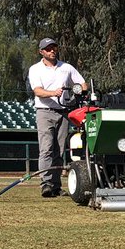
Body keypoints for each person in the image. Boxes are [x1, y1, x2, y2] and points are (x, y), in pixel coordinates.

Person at [28, 37, 87, 198]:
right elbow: (38, 91)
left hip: (63, 112)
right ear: (41, 52)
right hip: (44, 111)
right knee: (46, 149)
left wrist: (77, 91)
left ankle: (56, 186)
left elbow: (83, 84)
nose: (52, 50)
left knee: (59, 151)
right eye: (48, 48)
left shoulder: (66, 68)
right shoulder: (35, 69)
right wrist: (54, 92)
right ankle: (46, 184)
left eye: (54, 47)